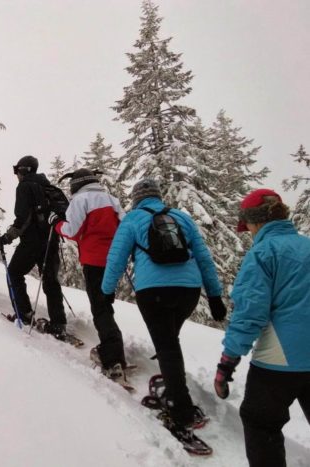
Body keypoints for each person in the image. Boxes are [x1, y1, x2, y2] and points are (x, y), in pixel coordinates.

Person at [101, 178, 226, 438]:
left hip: (153, 291)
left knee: (166, 345)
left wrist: (106, 292)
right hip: (188, 292)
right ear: (158, 196)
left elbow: (116, 258)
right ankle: (174, 389)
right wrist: (214, 296)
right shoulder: (182, 217)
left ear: (136, 199)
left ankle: (180, 411)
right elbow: (203, 257)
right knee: (170, 340)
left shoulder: (133, 220)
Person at [214, 188, 310, 467]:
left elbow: (249, 314)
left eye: (249, 227)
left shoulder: (263, 253)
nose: (250, 233)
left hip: (280, 360)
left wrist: (227, 364)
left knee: (260, 423)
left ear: (256, 223)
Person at [51, 168, 127, 380]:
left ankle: (112, 357)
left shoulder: (80, 200)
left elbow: (72, 231)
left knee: (100, 307)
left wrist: (56, 224)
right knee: (106, 305)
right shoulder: (112, 199)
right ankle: (115, 351)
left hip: (94, 261)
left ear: (76, 184)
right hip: (114, 260)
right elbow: (125, 227)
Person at [0, 155, 67, 338]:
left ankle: (24, 313)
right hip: (51, 239)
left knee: (14, 273)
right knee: (50, 281)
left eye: (17, 170)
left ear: (25, 170)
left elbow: (23, 218)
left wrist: (6, 238)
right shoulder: (47, 186)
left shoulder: (25, 186)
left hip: (32, 241)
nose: (16, 174)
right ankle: (59, 323)